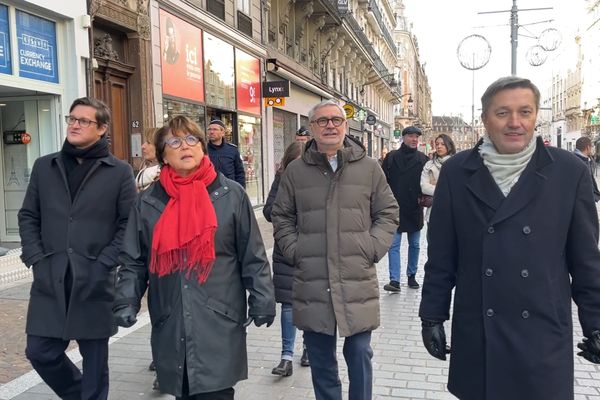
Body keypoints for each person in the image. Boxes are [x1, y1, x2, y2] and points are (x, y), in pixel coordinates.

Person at [419, 76, 600, 400]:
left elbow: (586, 261)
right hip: (480, 326)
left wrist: (596, 323)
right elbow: (442, 255)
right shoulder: (458, 172)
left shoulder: (569, 172)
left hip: (543, 329)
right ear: (485, 119)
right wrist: (432, 315)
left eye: (525, 111)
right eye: (503, 113)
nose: (515, 122)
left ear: (536, 117)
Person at [113, 115, 275, 400]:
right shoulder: (148, 201)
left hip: (219, 316)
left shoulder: (231, 194)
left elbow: (253, 254)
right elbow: (133, 260)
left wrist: (262, 298)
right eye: (174, 141)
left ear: (202, 147)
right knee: (182, 392)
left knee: (217, 393)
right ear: (163, 154)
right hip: (171, 317)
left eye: (191, 139)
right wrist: (126, 299)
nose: (185, 146)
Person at [271, 99, 398, 400]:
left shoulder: (368, 168)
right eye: (322, 121)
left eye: (336, 120)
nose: (330, 125)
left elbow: (388, 212)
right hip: (312, 280)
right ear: (312, 127)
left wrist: (370, 248)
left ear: (345, 126)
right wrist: (296, 250)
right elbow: (281, 215)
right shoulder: (296, 172)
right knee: (321, 361)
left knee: (359, 355)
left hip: (355, 280)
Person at [18, 97, 137, 400]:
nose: (74, 124)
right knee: (40, 351)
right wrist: (36, 258)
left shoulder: (119, 171)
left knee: (95, 365)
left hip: (94, 278)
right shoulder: (46, 166)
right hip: (50, 276)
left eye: (84, 120)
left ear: (102, 129)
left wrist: (105, 263)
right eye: (72, 118)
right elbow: (29, 215)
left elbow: (128, 223)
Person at [263, 141, 309, 377]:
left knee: (311, 303)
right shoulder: (280, 180)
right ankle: (286, 357)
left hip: (313, 249)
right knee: (289, 305)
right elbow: (268, 211)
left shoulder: (318, 181)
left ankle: (309, 348)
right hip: (286, 249)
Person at [381, 125, 429, 292]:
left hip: (414, 208)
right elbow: (382, 182)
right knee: (394, 245)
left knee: (415, 244)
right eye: (411, 136)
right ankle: (394, 280)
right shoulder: (392, 157)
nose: (414, 139)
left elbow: (428, 182)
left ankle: (412, 275)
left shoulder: (423, 159)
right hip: (394, 207)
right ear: (403, 137)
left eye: (417, 136)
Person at [420, 133, 456, 224]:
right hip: (433, 212)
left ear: (449, 146)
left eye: (443, 144)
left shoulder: (457, 163)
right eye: (437, 144)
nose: (439, 146)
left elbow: (458, 188)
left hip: (453, 212)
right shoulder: (429, 164)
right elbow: (424, 187)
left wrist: (436, 184)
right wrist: (445, 189)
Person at [207, 119, 246, 188]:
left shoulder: (232, 150)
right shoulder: (202, 150)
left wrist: (240, 192)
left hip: (229, 190)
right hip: (209, 190)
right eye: (209, 129)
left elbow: (240, 173)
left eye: (215, 129)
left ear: (223, 133)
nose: (211, 132)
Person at [574, 136, 600, 202]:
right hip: (585, 201)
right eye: (591, 147)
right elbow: (587, 184)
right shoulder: (582, 162)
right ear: (588, 147)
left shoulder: (576, 158)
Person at [136, 127, 161, 191]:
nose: (143, 146)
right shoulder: (145, 166)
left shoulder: (163, 175)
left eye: (148, 142)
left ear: (159, 146)